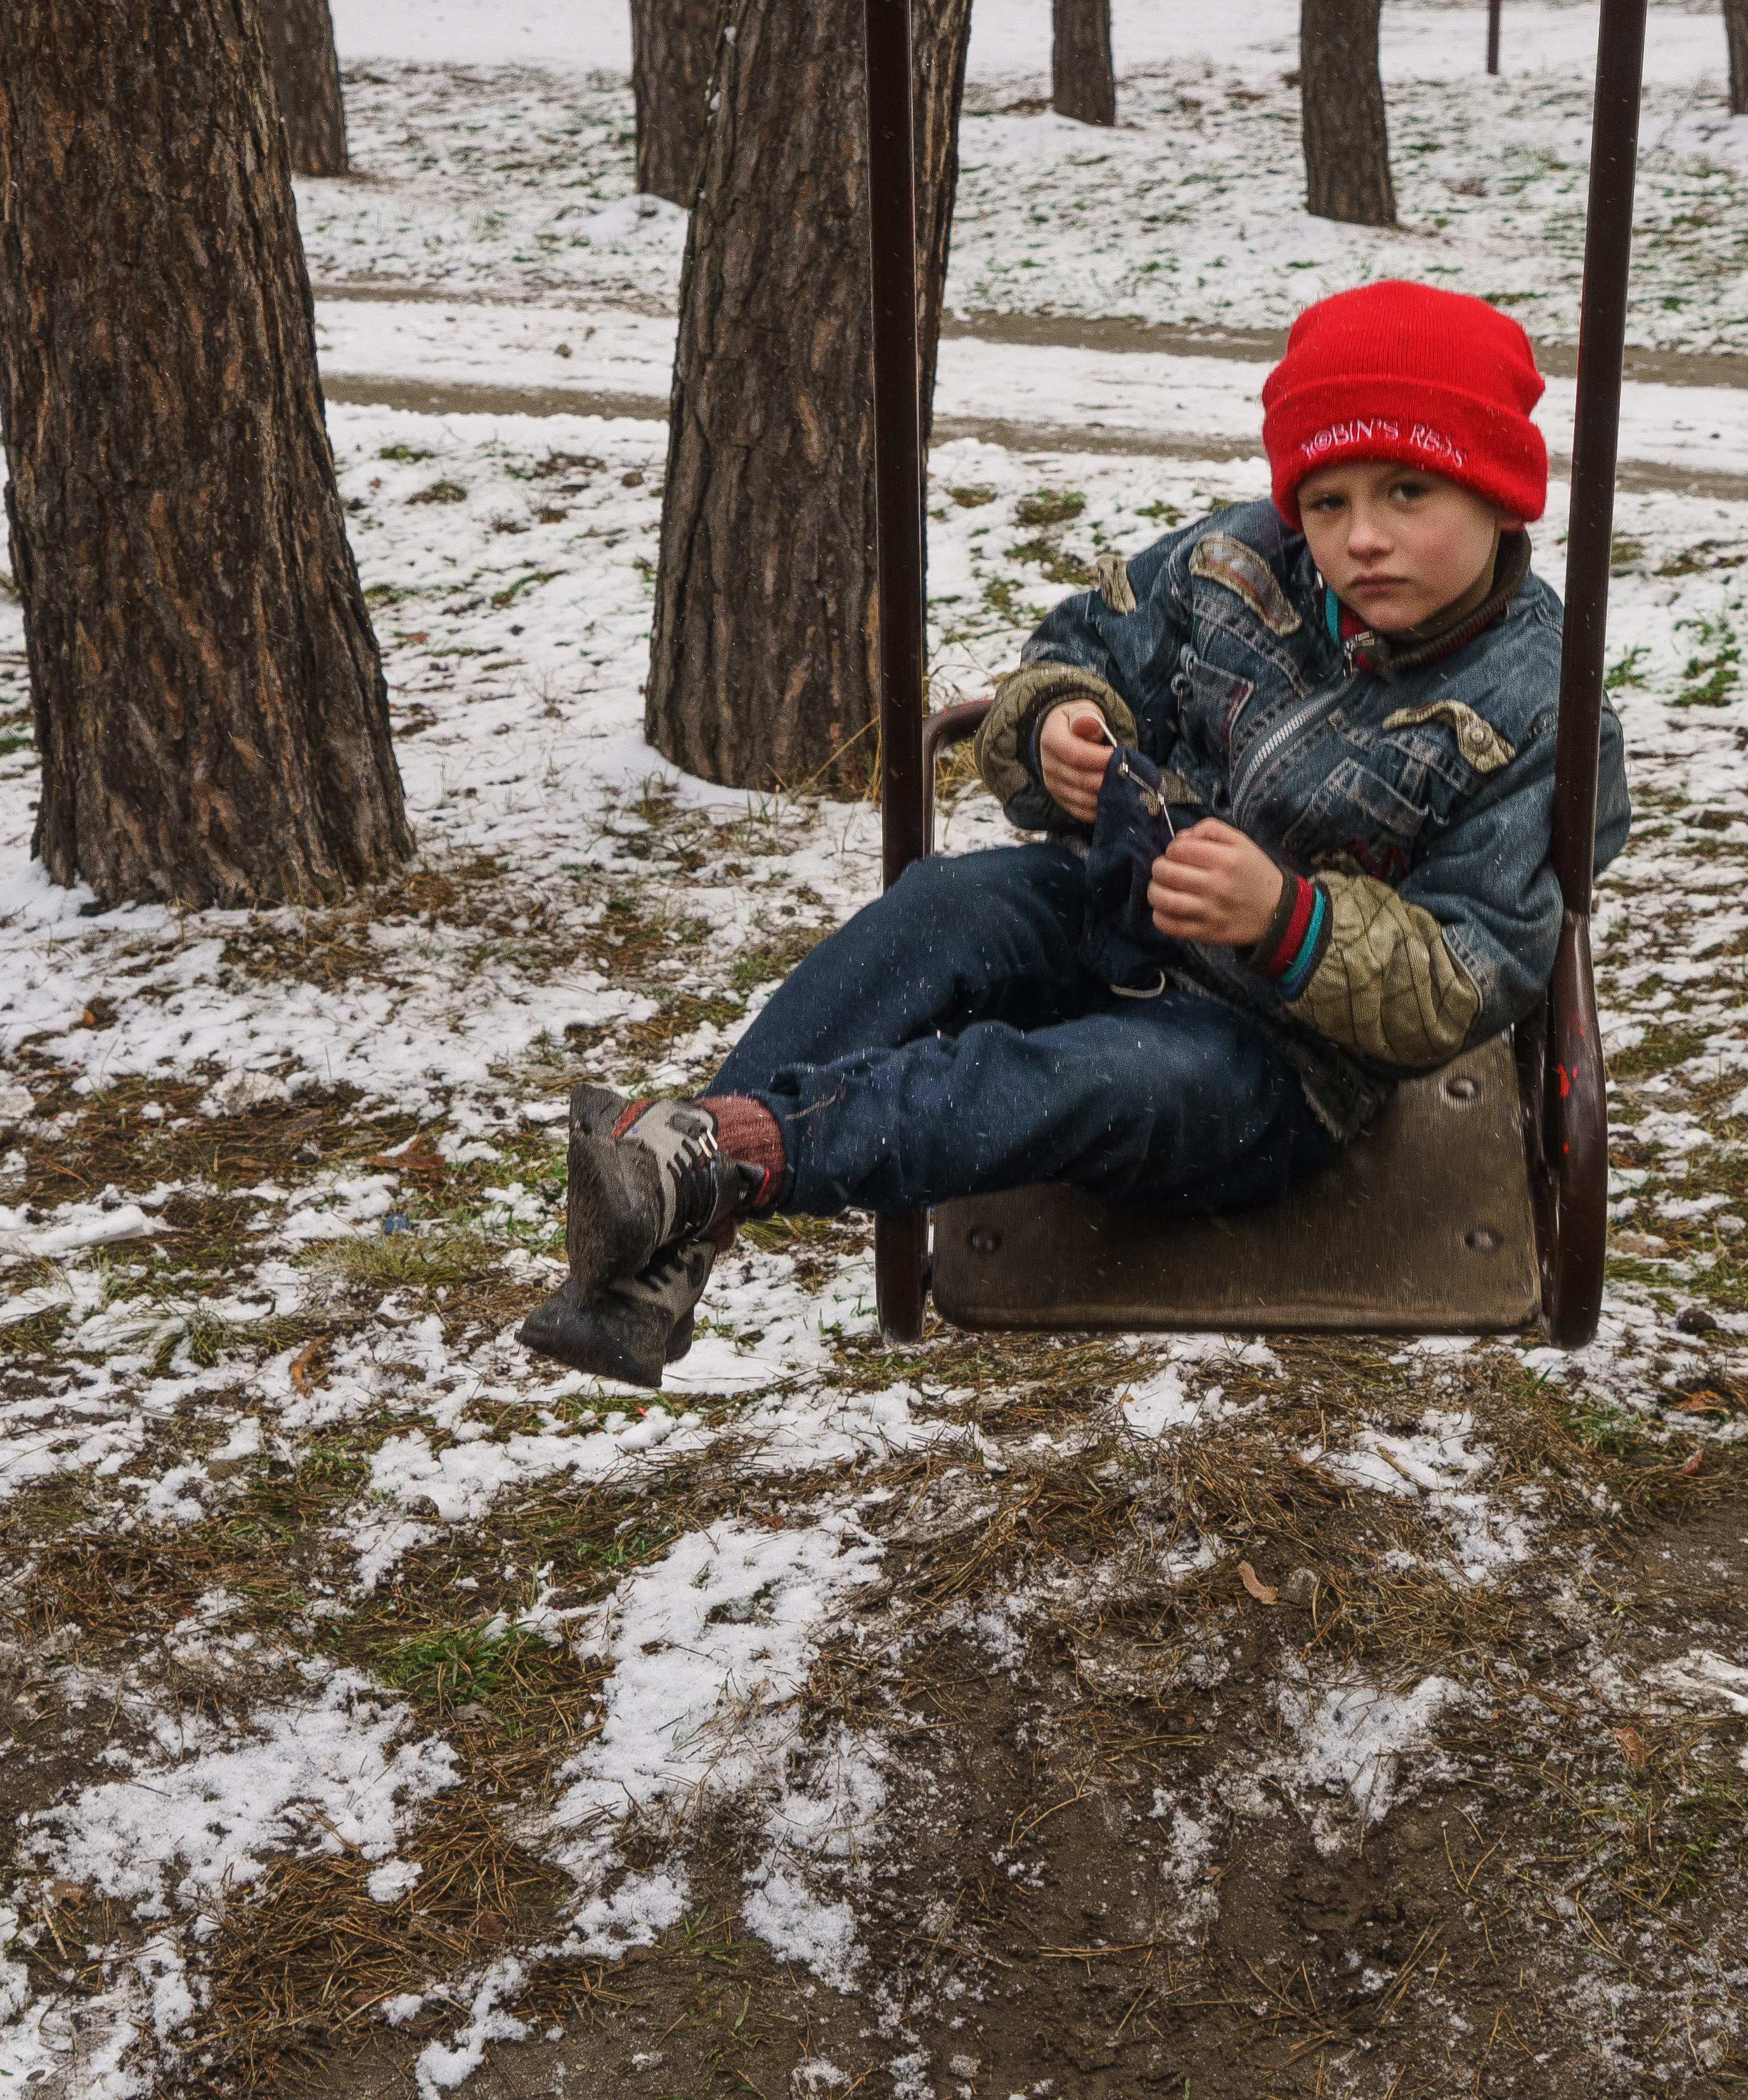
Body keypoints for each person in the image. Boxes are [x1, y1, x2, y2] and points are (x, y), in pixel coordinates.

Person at [521, 280, 1628, 1387]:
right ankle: (674, 1229)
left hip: (1274, 1062)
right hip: (1110, 905)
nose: (1362, 538)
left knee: (1070, 1080)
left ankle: (730, 1160)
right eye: (1327, 501)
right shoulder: (1234, 563)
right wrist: (1056, 723)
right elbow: (1082, 642)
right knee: (944, 908)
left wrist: (1289, 922)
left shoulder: (1536, 711)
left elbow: (1466, 974)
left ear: (1500, 493)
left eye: (1408, 492)